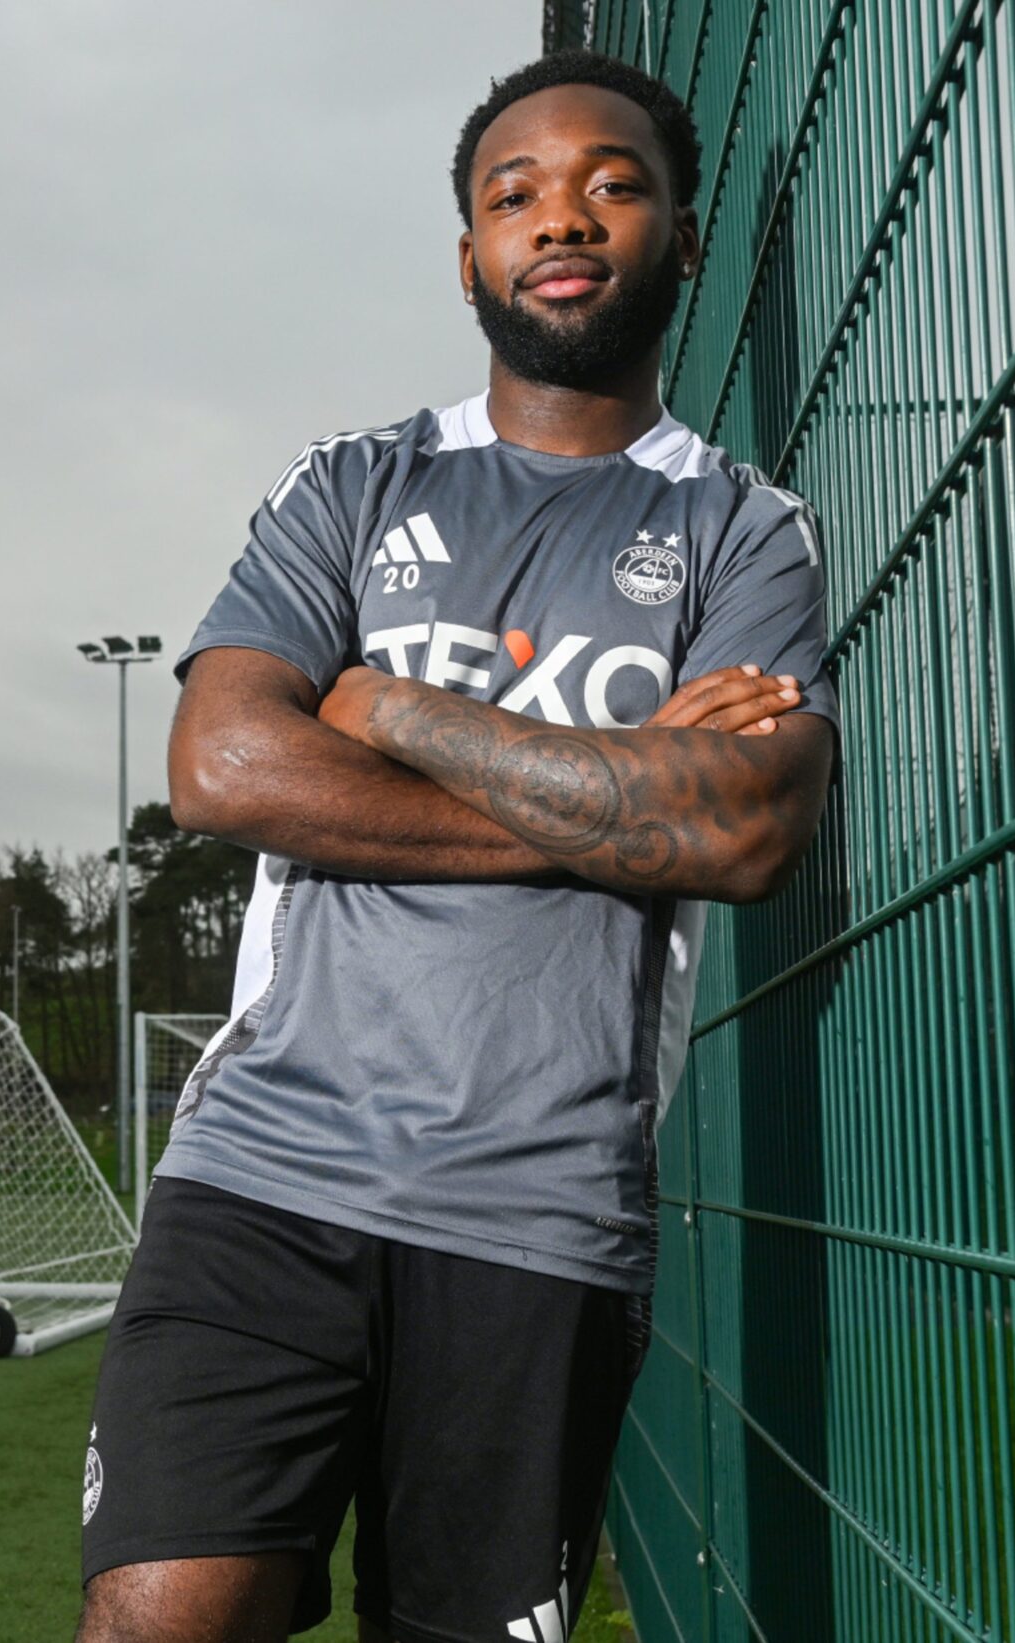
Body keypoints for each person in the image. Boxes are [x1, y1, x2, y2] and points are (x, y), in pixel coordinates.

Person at [77, 48, 838, 1643]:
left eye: (612, 184)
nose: (562, 217)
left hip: (541, 1207)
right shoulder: (354, 485)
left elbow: (746, 827)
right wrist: (626, 814)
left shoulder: (745, 530)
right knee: (158, 1617)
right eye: (516, 196)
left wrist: (390, 710)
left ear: (682, 241)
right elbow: (220, 765)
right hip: (263, 1169)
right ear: (473, 255)